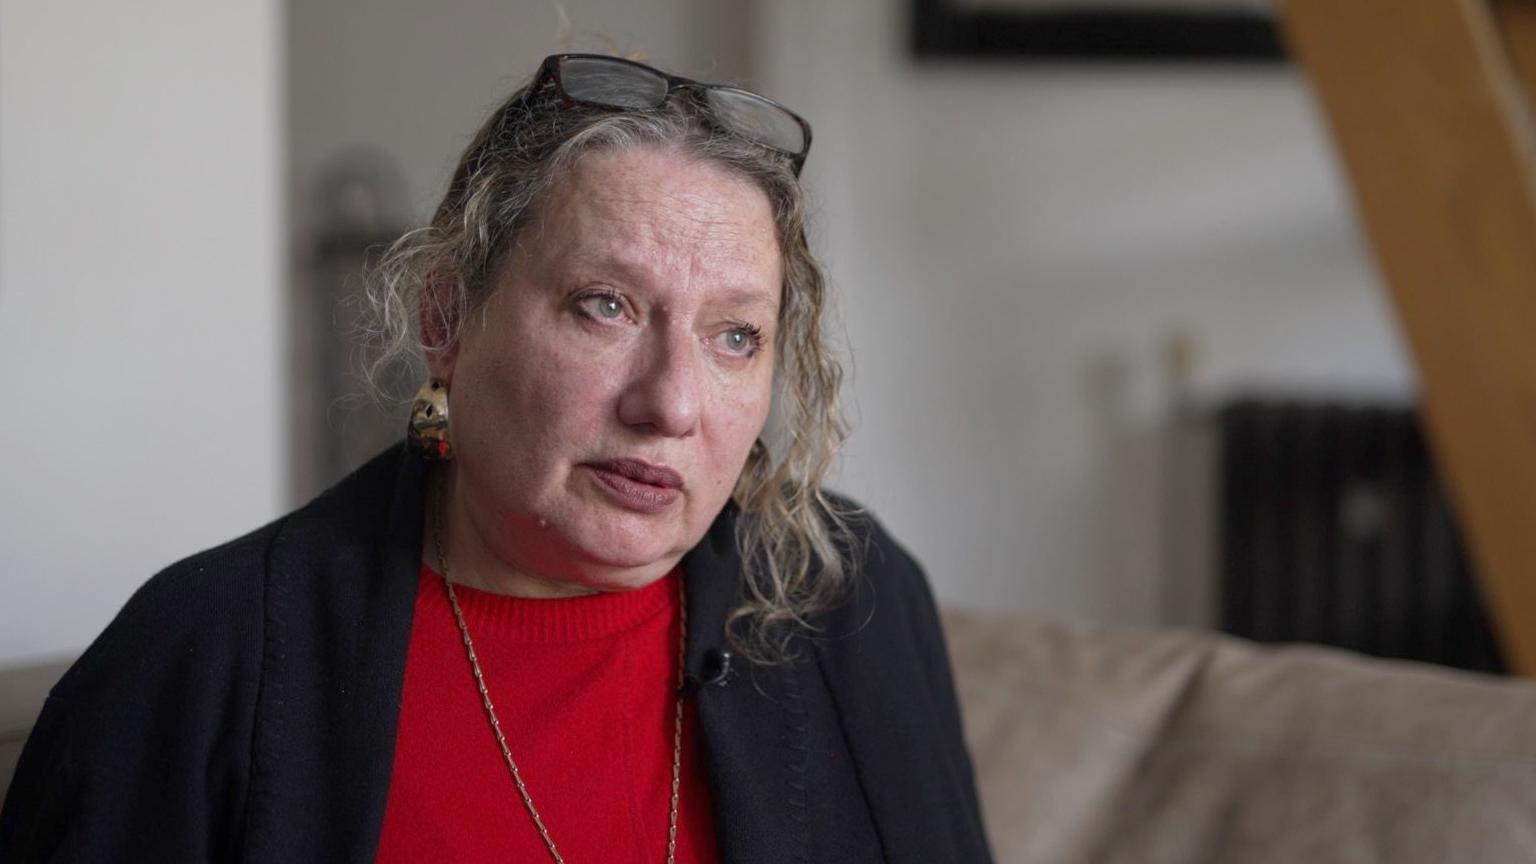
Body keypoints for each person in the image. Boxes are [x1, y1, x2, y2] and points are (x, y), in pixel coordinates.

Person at [0, 53, 993, 862]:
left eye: (736, 336)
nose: (672, 404)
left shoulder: (850, 596)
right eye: (603, 305)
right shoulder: (199, 657)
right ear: (446, 316)